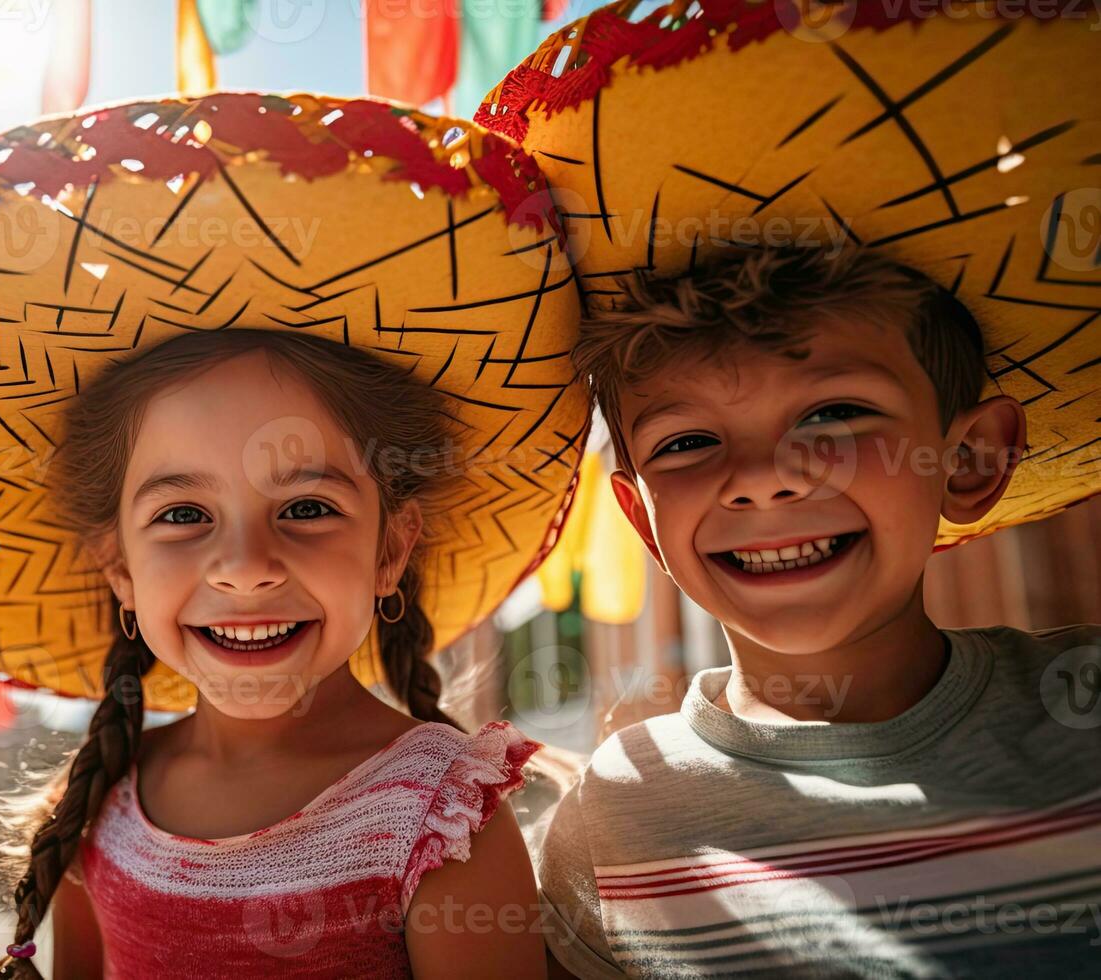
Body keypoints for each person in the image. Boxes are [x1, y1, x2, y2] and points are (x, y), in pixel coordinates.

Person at [0, 91, 591, 977]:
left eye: (307, 508)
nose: (243, 568)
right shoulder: (98, 805)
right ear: (118, 567)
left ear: (392, 549)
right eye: (182, 516)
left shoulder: (442, 818)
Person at [472, 4, 1101, 974]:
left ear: (971, 458)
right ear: (640, 515)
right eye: (686, 441)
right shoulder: (612, 824)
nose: (761, 478)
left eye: (835, 415)